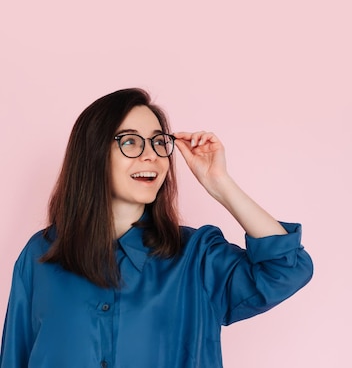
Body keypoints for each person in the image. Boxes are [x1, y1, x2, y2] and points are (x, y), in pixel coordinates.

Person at [0, 88, 313, 368]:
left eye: (159, 142)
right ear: (93, 153)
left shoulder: (197, 258)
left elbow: (286, 268)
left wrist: (219, 184)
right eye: (131, 141)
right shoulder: (40, 255)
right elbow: (15, 356)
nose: (150, 154)